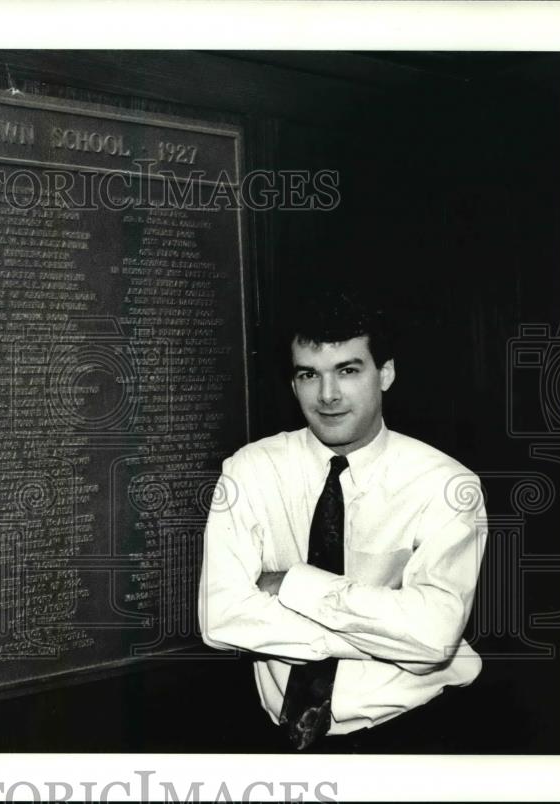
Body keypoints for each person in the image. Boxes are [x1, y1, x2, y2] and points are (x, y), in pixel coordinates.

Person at [198, 288, 488, 751]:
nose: (328, 395)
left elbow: (433, 635)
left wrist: (295, 584)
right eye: (309, 374)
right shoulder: (250, 470)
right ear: (294, 384)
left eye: (348, 371)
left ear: (385, 373)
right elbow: (220, 620)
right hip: (274, 739)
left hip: (413, 734)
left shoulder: (446, 485)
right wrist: (396, 639)